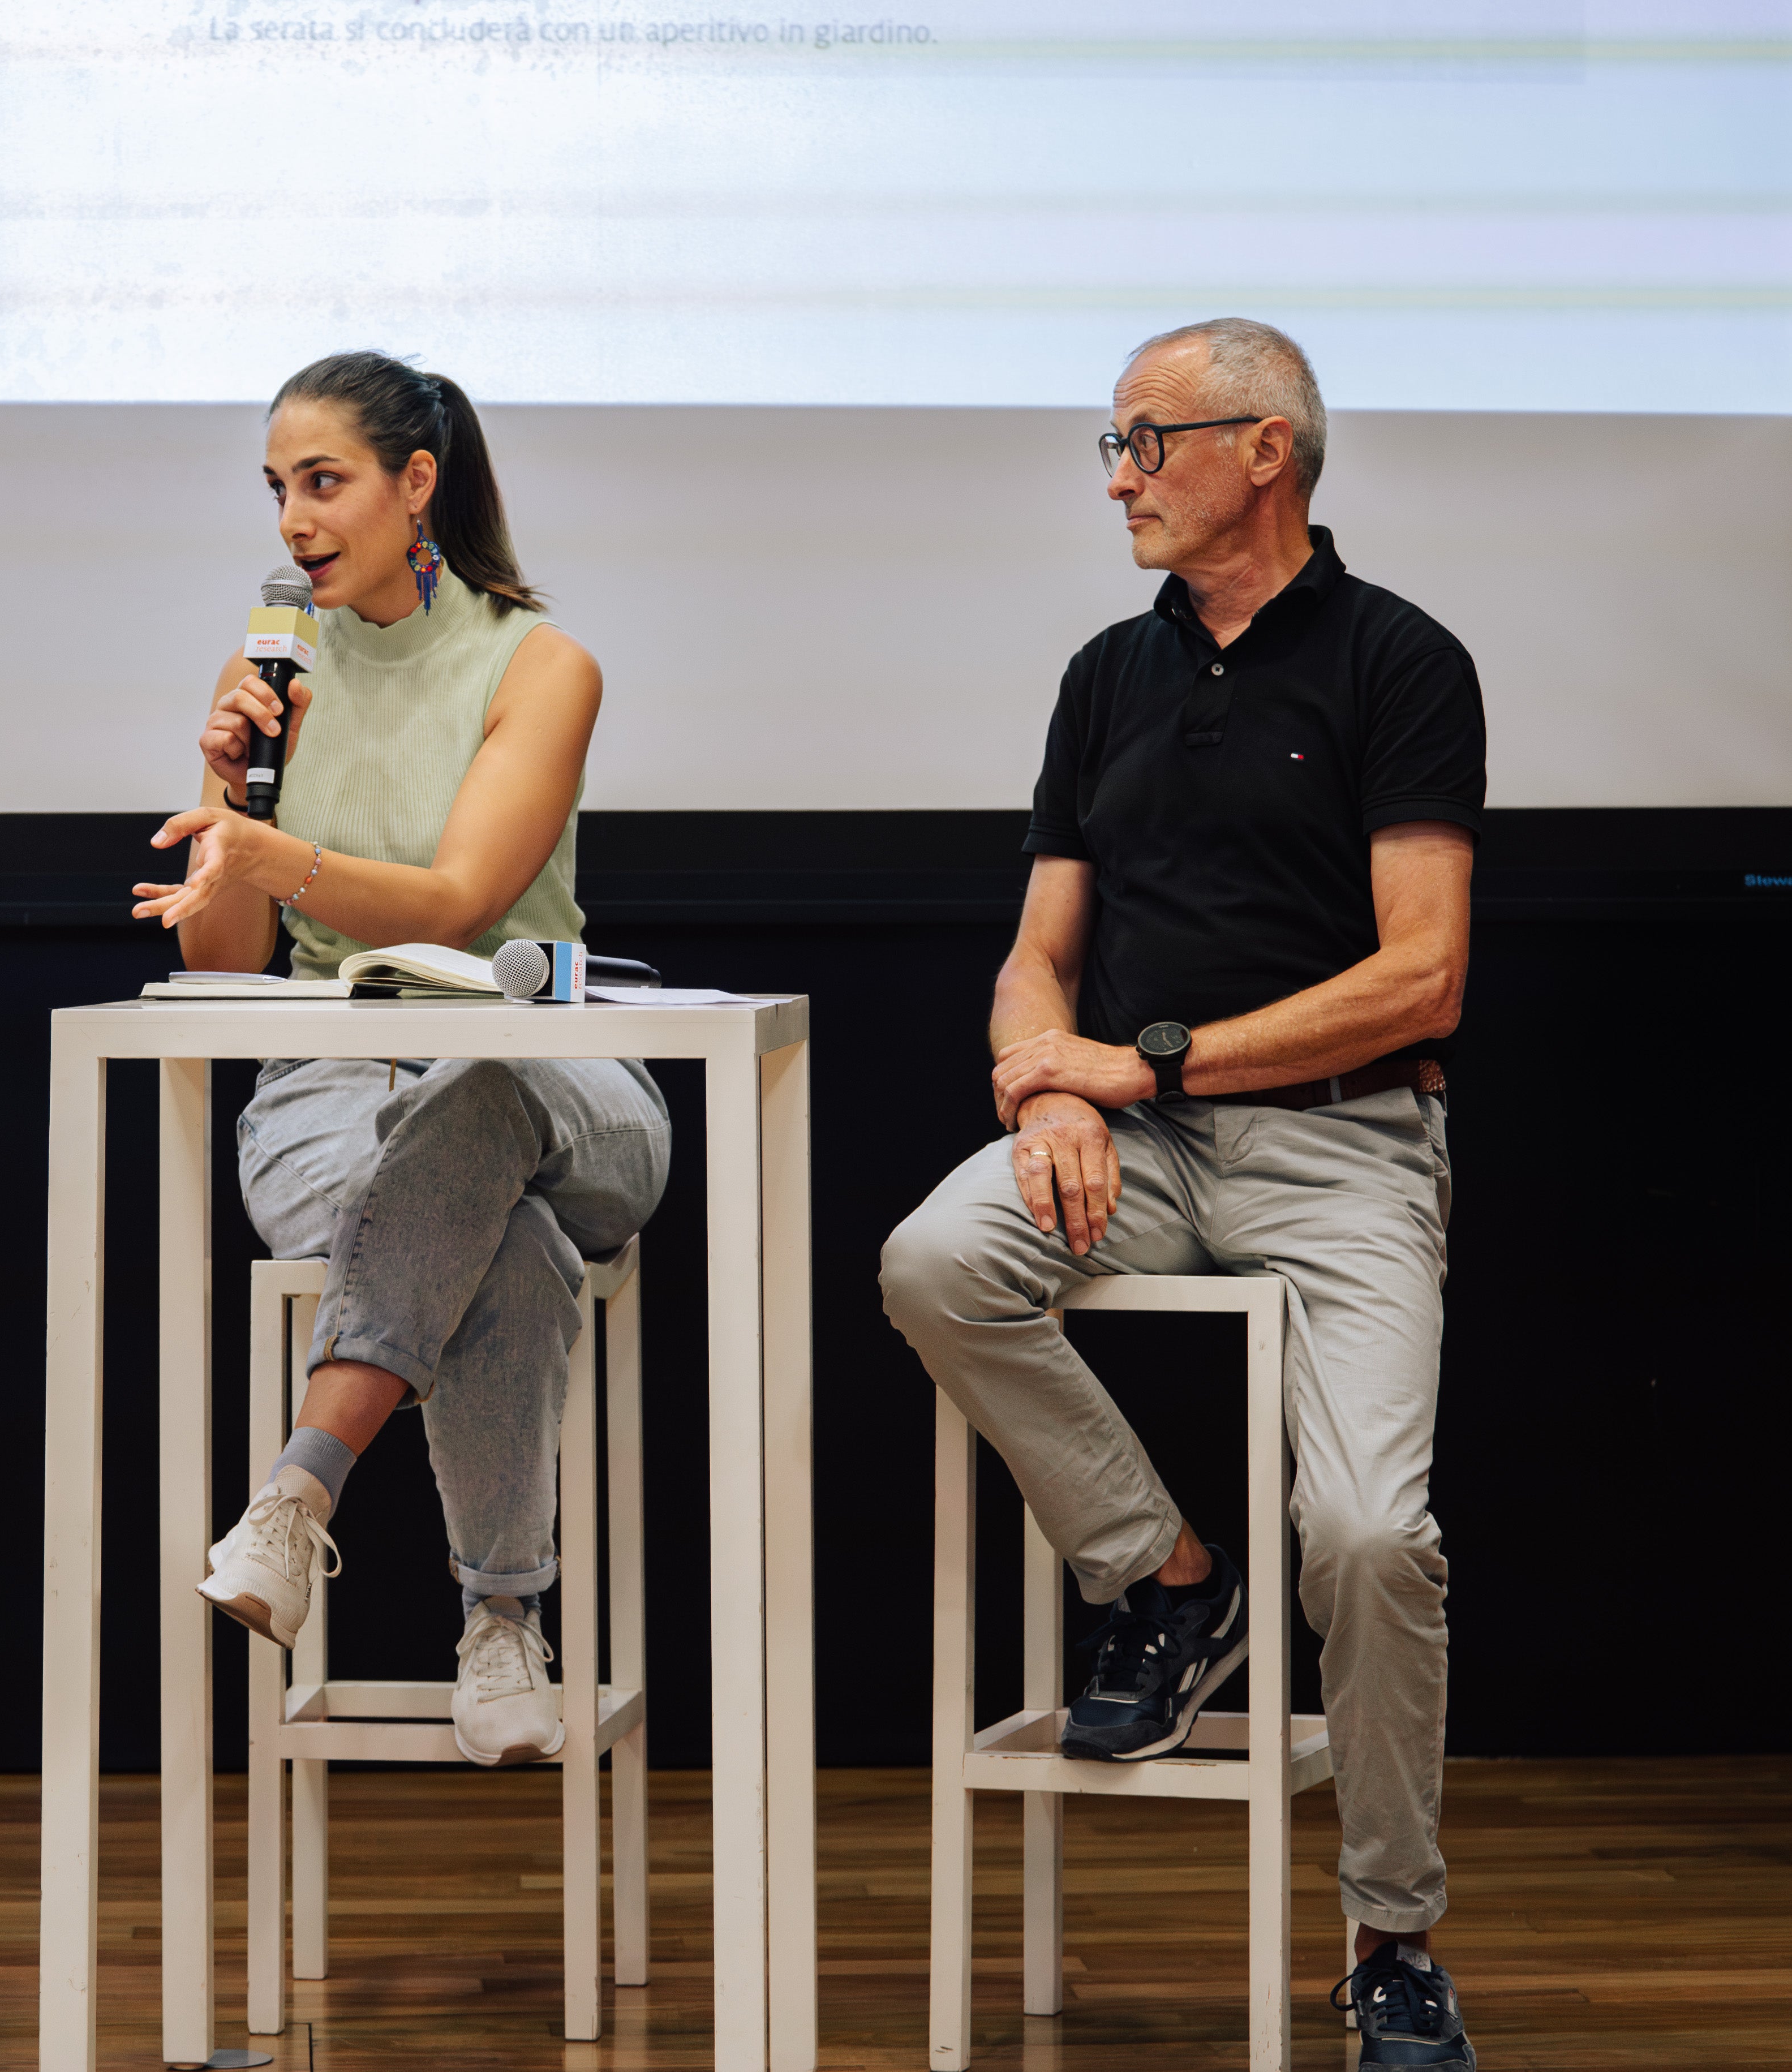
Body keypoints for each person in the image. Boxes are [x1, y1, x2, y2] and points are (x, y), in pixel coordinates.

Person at [878, 319, 1481, 2070]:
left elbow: (1421, 974)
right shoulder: (1104, 675)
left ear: (1262, 448)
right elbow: (1034, 955)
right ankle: (1165, 1575)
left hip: (1342, 1146)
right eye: (1113, 443)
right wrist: (1038, 1078)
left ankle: (1389, 1934)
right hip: (1135, 1146)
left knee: (1367, 1536)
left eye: (1144, 440)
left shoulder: (1395, 659)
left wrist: (1131, 1065)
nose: (1117, 478)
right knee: (933, 1256)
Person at [132, 350, 669, 1767]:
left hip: (546, 1077)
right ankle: (502, 1620)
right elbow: (224, 961)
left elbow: (457, 903)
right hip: (330, 1097)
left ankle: (296, 1495)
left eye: (323, 482)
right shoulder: (265, 674)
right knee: (503, 1240)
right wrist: (232, 792)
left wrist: (270, 850)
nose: (293, 519)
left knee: (475, 1100)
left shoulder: (539, 665)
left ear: (415, 482)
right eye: (276, 488)